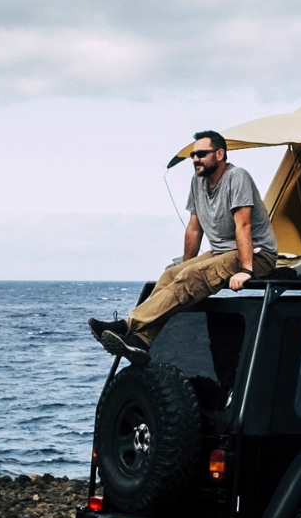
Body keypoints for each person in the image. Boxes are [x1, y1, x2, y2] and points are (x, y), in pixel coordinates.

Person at [91, 130, 280, 358]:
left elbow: (244, 225)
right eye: (192, 155)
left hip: (256, 255)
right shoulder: (198, 182)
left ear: (220, 154)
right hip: (222, 252)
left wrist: (246, 270)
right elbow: (194, 227)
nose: (195, 160)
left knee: (191, 278)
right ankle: (142, 340)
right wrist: (185, 264)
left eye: (201, 154)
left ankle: (127, 326)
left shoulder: (237, 177)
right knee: (173, 275)